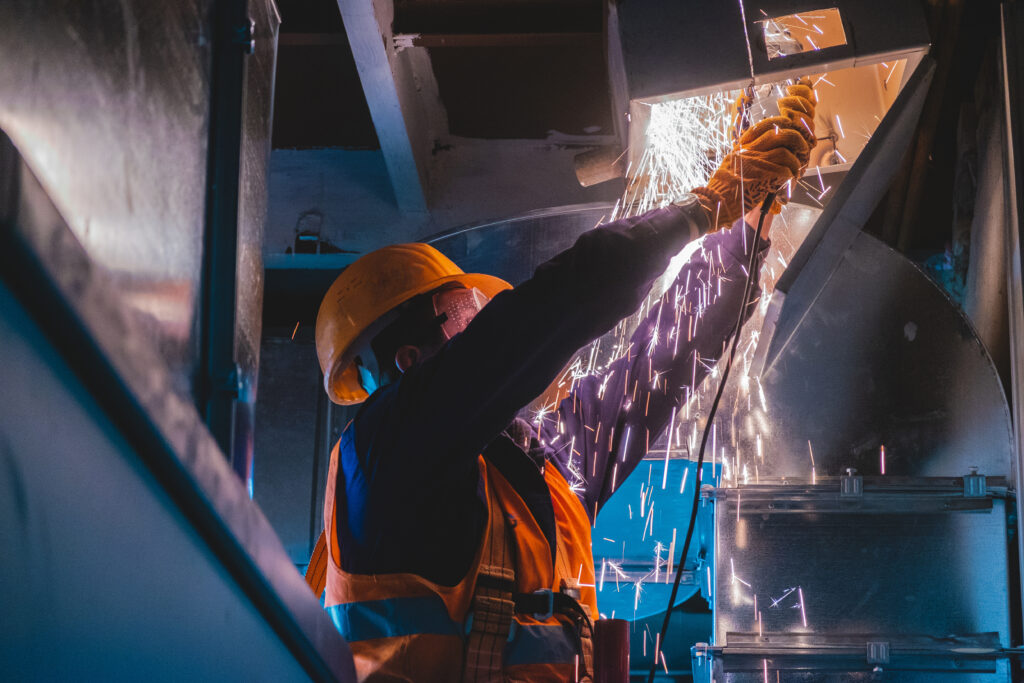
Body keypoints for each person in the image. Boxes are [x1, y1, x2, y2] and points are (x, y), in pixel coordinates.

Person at [308, 82, 817, 682]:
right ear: (410, 358)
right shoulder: (383, 455)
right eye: (466, 309)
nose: (482, 320)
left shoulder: (537, 466)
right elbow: (544, 315)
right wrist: (700, 209)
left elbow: (662, 361)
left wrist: (746, 221)